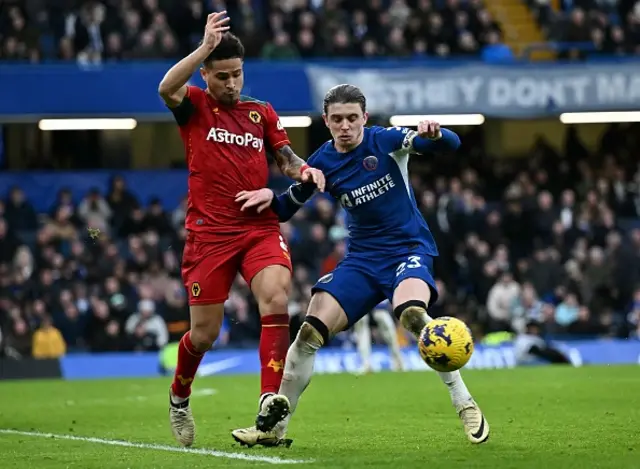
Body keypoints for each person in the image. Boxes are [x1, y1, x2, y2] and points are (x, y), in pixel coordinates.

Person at [234, 84, 490, 446]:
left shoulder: (384, 140)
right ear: (326, 121)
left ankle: (464, 402)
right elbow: (287, 208)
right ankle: (273, 429)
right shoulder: (322, 161)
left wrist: (437, 132)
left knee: (413, 315)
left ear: (364, 118)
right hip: (362, 261)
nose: (345, 126)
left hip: (408, 249)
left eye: (352, 118)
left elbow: (451, 144)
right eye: (337, 119)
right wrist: (268, 197)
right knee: (307, 335)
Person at [157, 12, 325, 448]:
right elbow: (165, 88)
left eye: (237, 75)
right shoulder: (193, 105)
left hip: (258, 228)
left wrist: (302, 170)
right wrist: (202, 49)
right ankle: (179, 396)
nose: (231, 84)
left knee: (276, 295)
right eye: (222, 76)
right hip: (209, 234)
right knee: (205, 334)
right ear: (207, 74)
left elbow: (285, 157)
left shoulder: (260, 113)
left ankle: (269, 400)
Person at [353, 301, 405, 373]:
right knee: (362, 333)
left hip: (378, 306)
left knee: (390, 335)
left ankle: (398, 362)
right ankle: (366, 364)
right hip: (363, 307)